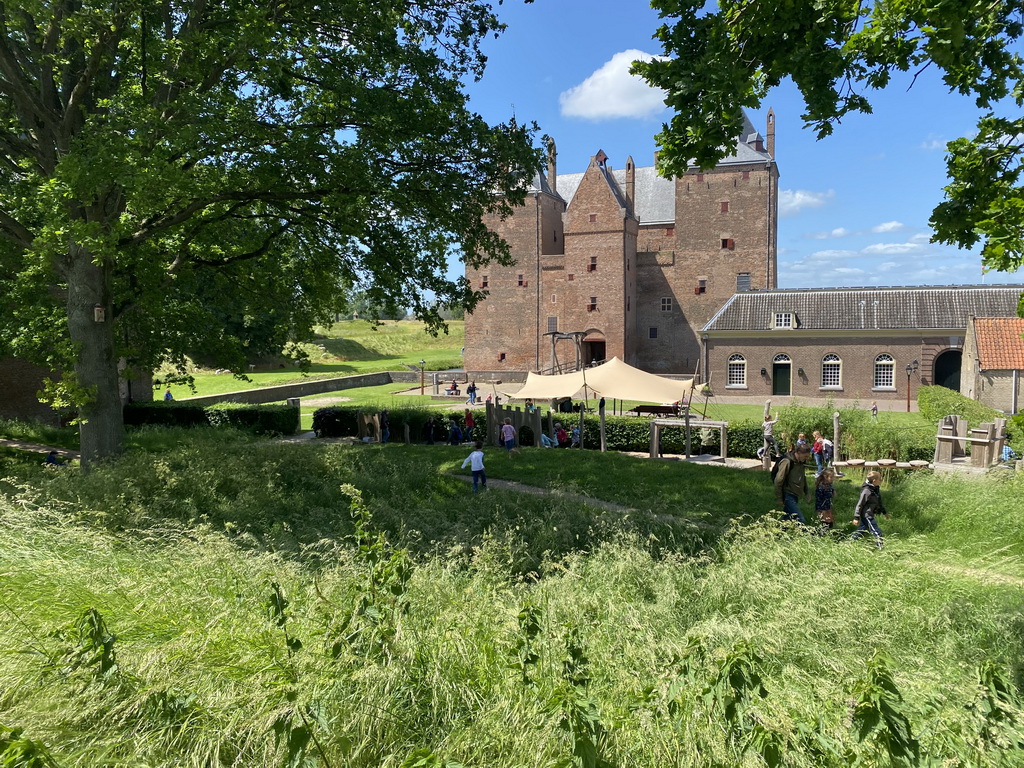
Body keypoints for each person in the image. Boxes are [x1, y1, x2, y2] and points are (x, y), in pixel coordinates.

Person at [773, 444, 812, 524]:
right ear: (798, 453)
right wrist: (779, 498)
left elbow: (802, 477)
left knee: (786, 520)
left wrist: (807, 492)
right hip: (787, 494)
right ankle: (806, 535)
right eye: (805, 456)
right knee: (801, 520)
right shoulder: (787, 462)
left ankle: (780, 534)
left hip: (795, 494)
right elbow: (778, 480)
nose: (806, 459)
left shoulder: (801, 462)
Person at [852, 470, 888, 549]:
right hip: (867, 515)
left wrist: (884, 512)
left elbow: (879, 501)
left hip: (870, 513)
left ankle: (851, 542)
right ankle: (881, 548)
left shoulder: (875, 488)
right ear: (874, 481)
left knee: (862, 530)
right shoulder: (867, 491)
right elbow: (860, 504)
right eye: (880, 479)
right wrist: (856, 517)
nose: (881, 481)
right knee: (876, 532)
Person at [815, 468, 836, 533]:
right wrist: (820, 510)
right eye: (831, 477)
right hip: (822, 507)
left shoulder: (829, 485)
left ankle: (828, 534)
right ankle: (821, 534)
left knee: (830, 521)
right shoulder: (821, 487)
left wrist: (833, 491)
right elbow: (818, 499)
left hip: (828, 506)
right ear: (825, 477)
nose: (833, 479)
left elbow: (830, 491)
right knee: (825, 521)